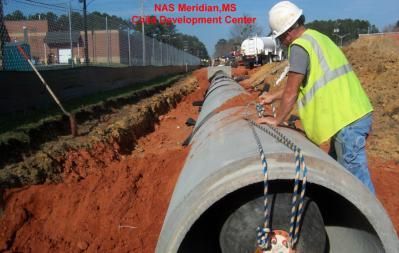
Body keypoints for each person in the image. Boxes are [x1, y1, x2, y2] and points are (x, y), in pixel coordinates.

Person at [258, 1, 375, 193]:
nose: (281, 43)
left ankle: (371, 222)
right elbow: (306, 83)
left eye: (279, 38)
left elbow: (292, 91)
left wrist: (277, 120)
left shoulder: (299, 47)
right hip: (354, 114)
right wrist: (273, 97)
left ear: (286, 33)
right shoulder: (317, 38)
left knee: (358, 184)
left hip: (348, 123)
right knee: (339, 172)